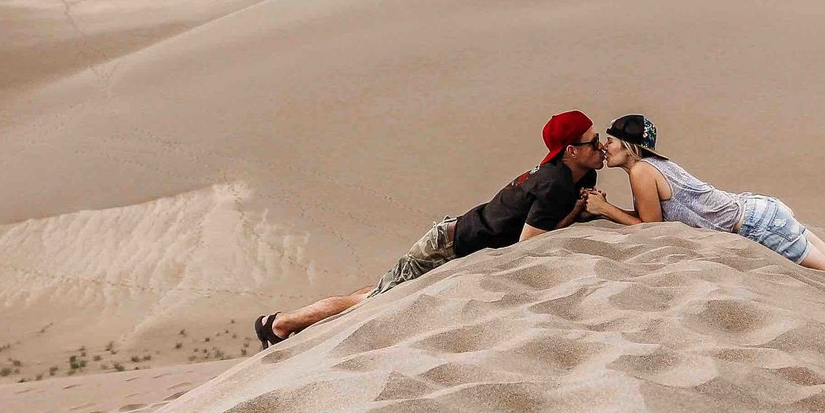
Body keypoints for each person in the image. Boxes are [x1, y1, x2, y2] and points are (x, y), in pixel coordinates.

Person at [255, 110, 605, 346]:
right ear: (571, 150)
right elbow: (529, 244)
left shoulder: (580, 173)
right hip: (448, 246)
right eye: (593, 141)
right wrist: (575, 214)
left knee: (377, 290)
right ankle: (279, 324)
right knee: (370, 302)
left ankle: (285, 321)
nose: (601, 145)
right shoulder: (556, 183)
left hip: (458, 240)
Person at [581, 113, 825, 320]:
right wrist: (611, 208)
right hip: (762, 209)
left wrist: (604, 210)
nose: (605, 148)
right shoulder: (656, 165)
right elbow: (652, 216)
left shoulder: (643, 173)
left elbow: (652, 228)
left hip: (760, 227)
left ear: (629, 147)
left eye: (610, 142)